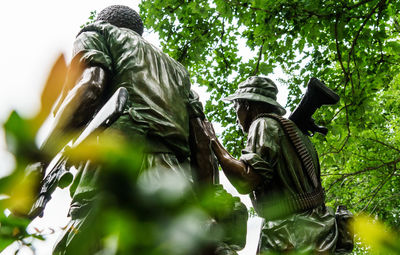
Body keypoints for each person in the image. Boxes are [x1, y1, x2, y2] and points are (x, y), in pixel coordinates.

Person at [36, 5, 246, 254]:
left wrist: (39, 160)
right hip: (174, 179)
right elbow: (202, 140)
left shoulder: (99, 33)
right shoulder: (178, 71)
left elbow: (90, 87)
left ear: (106, 22)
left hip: (116, 164)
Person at [204, 76, 339, 254]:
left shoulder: (263, 124)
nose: (236, 118)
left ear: (247, 105)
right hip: (317, 231)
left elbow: (246, 180)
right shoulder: (295, 133)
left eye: (236, 107)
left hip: (289, 234)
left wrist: (213, 141)